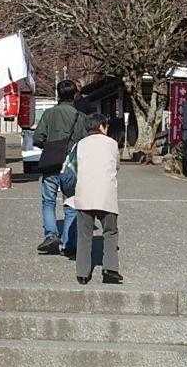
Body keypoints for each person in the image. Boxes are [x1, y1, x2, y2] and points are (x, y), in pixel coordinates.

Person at [33, 79, 90, 257]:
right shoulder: (81, 117)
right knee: (71, 203)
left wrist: (51, 146)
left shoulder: (49, 114)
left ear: (58, 94)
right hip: (72, 166)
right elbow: (86, 143)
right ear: (75, 95)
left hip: (51, 163)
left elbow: (37, 138)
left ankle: (51, 235)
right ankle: (69, 242)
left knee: (49, 201)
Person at [66, 113, 123, 285]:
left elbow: (72, 167)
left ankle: (82, 274)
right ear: (101, 126)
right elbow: (117, 166)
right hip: (106, 194)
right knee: (110, 232)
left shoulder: (79, 144)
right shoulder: (112, 143)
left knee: (84, 235)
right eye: (106, 126)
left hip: (84, 194)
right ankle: (110, 269)